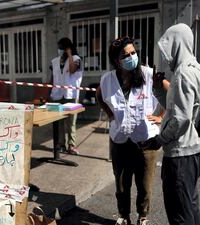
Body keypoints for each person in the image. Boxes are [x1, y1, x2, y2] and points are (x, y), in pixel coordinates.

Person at [96, 36, 162, 225]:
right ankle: (123, 216)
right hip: (119, 138)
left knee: (145, 184)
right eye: (126, 55)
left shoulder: (148, 74)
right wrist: (109, 113)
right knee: (121, 185)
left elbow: (169, 91)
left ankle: (143, 216)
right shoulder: (107, 79)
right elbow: (99, 94)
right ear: (116, 60)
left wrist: (161, 116)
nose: (132, 57)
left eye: (133, 53)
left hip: (145, 139)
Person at [141, 23, 200, 225]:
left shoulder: (183, 73)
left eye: (168, 47)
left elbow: (181, 118)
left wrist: (159, 139)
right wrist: (158, 90)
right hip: (191, 151)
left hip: (180, 154)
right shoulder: (194, 69)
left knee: (180, 215)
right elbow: (178, 107)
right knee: (190, 206)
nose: (166, 55)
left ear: (177, 44)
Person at [49, 37, 83, 154]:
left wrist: (69, 54)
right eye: (58, 48)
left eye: (61, 48)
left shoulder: (76, 59)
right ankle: (61, 144)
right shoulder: (54, 61)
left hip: (71, 94)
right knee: (59, 119)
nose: (59, 50)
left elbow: (73, 70)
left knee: (71, 121)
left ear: (67, 48)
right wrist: (50, 91)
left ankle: (71, 145)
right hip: (58, 94)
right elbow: (52, 77)